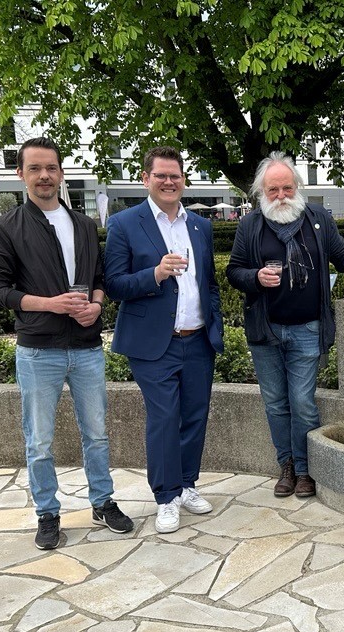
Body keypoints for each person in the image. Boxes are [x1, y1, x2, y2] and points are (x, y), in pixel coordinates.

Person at [0, 136, 133, 550]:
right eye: (35, 168)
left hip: (86, 346)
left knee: (97, 434)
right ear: (21, 174)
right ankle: (47, 513)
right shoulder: (7, 227)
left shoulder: (83, 224)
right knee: (39, 441)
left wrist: (96, 306)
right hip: (38, 350)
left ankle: (102, 502)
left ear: (61, 173)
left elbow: (99, 279)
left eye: (51, 167)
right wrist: (49, 304)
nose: (44, 175)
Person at [226, 152, 344, 497]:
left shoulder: (317, 218)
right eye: (273, 190)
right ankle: (287, 465)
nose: (281, 196)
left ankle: (305, 469)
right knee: (276, 403)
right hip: (265, 330)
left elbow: (343, 256)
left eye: (287, 188)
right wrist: (256, 277)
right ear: (261, 192)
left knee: (303, 402)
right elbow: (234, 271)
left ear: (297, 187)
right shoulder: (250, 225)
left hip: (307, 329)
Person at [104, 146, 224, 533]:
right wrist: (155, 274)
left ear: (183, 180)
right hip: (154, 343)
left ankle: (187, 484)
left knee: (195, 416)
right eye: (161, 175)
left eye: (175, 175)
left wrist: (215, 325)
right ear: (146, 179)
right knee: (164, 418)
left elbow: (208, 283)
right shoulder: (124, 223)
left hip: (198, 340)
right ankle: (166, 496)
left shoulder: (200, 226)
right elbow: (114, 285)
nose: (169, 182)